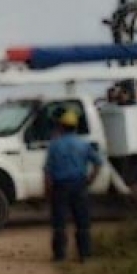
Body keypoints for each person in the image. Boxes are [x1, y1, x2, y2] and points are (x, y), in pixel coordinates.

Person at [44, 111, 102, 262]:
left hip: (60, 187)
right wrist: (90, 180)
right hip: (79, 185)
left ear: (61, 126)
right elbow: (98, 162)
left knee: (59, 223)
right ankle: (84, 255)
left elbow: (48, 171)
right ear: (75, 127)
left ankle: (59, 256)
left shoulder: (55, 146)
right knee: (82, 222)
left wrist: (48, 191)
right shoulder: (83, 144)